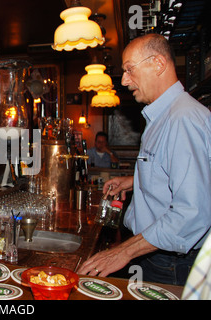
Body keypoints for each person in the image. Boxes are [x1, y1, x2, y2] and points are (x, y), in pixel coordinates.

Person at [78, 33, 211, 286]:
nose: (125, 80)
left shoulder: (183, 119)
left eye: (129, 70)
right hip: (157, 253)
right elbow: (172, 170)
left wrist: (123, 251)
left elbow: (191, 213)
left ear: (158, 64)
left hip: (172, 262)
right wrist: (134, 181)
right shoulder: (163, 115)